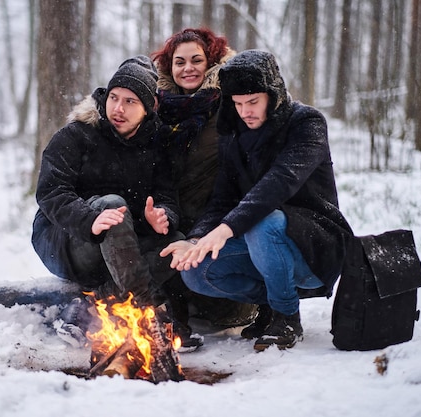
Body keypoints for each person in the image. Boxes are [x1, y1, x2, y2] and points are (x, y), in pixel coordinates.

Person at [160, 49, 353, 351]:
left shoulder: (307, 123)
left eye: (253, 102)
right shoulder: (233, 134)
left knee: (262, 221)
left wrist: (225, 230)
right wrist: (198, 239)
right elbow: (222, 199)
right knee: (195, 269)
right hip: (260, 241)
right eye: (237, 104)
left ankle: (286, 315)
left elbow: (278, 183)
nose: (245, 111)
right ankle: (270, 305)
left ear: (272, 95)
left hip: (316, 245)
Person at [31, 56, 189, 348]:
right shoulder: (77, 135)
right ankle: (147, 309)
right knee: (112, 206)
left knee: (176, 244)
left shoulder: (157, 145)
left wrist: (162, 216)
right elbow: (51, 192)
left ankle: (93, 303)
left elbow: (167, 198)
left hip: (120, 247)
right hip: (65, 241)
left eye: (130, 102)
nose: (118, 108)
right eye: (114, 98)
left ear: (148, 108)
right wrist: (88, 218)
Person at [151, 28, 256, 330]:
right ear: (168, 67)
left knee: (221, 311)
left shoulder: (229, 104)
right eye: (180, 62)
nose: (188, 69)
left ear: (211, 62)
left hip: (217, 213)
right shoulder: (157, 107)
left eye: (197, 60)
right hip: (169, 211)